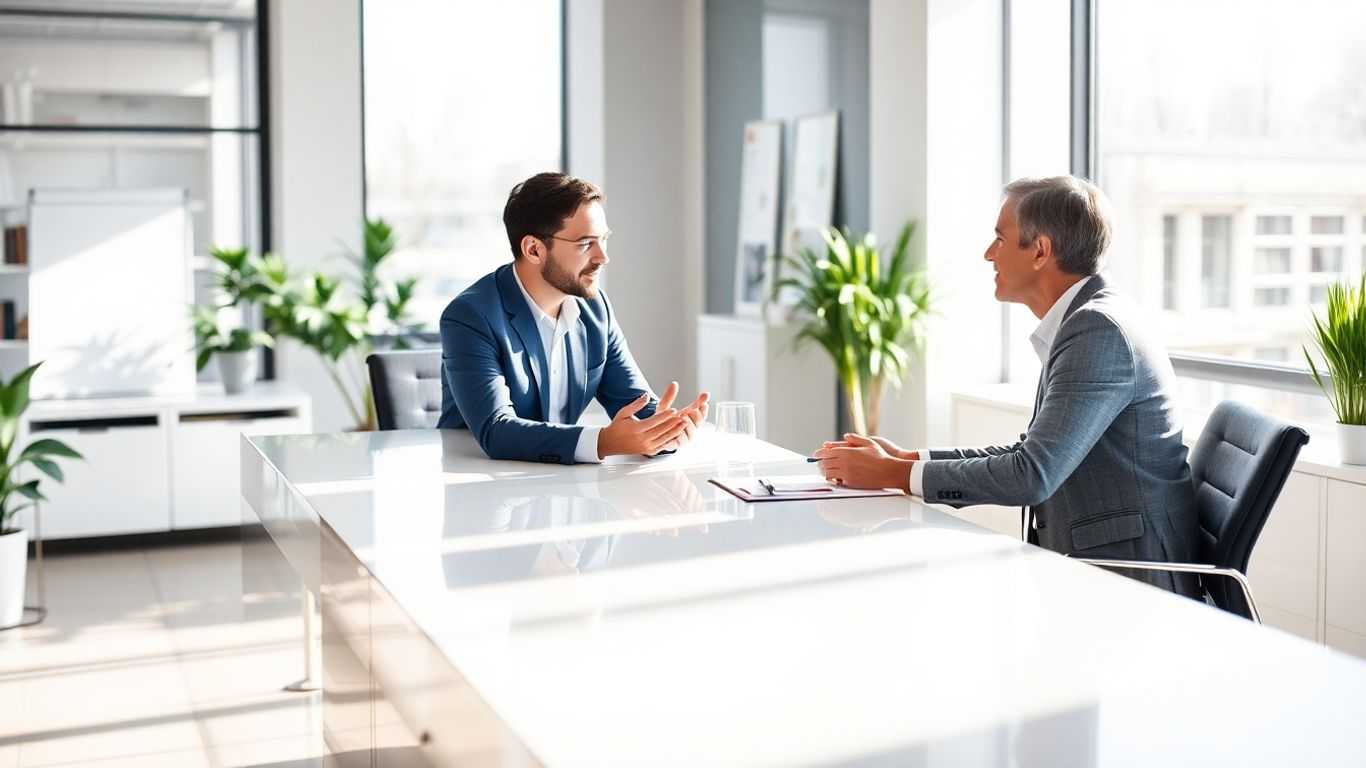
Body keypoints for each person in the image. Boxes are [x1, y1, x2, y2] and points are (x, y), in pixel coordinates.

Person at [813, 175, 1199, 596]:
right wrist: (906, 459)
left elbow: (1032, 475)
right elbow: (1029, 454)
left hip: (1133, 581)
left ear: (1040, 251)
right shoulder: (1090, 317)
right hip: (1099, 567)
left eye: (1000, 238)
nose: (988, 254)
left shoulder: (1097, 329)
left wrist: (895, 473)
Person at [439, 172, 708, 463]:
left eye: (604, 240)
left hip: (562, 479)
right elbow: (496, 431)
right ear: (534, 249)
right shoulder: (471, 316)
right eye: (585, 244)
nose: (603, 257)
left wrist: (666, 430)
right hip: (477, 479)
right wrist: (602, 443)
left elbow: (635, 403)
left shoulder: (595, 309)